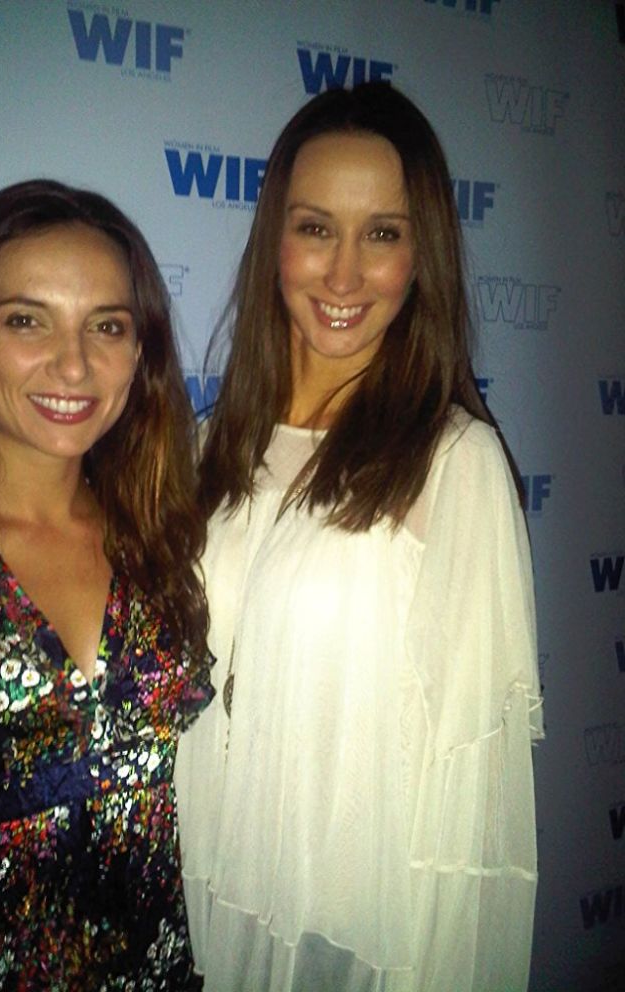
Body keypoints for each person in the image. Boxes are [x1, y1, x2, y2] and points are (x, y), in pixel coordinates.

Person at [174, 82, 543, 992]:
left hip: (348, 955)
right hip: (193, 910)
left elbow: (470, 820)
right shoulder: (206, 449)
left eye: (382, 233)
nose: (343, 275)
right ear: (275, 242)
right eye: (315, 228)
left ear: (423, 257)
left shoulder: (454, 466)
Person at [0, 180, 212, 991]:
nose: (74, 364)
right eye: (27, 321)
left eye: (108, 326)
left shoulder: (164, 539)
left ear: (140, 354)